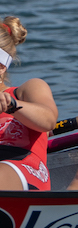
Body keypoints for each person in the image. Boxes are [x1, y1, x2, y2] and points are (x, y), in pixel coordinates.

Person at [0, 17, 57, 191]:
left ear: (1, 65)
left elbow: (48, 121)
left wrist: (12, 106)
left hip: (24, 167)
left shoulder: (27, 90)